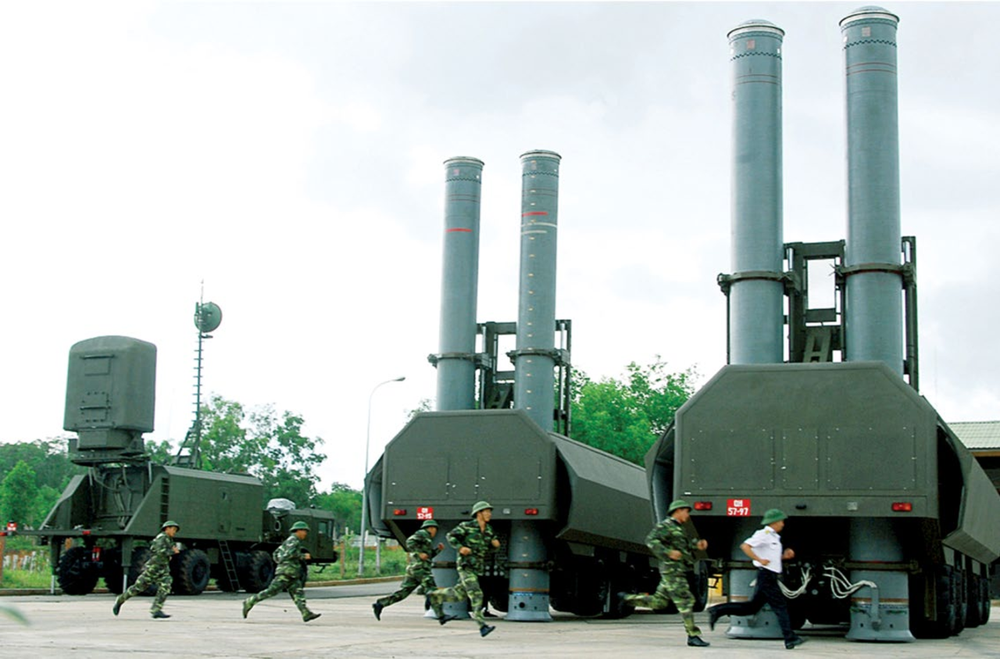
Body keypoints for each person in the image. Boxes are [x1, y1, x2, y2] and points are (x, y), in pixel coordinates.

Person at [707, 508, 806, 650]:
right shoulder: (764, 534)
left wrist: (783, 557)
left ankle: (717, 610)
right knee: (780, 607)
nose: (783, 524)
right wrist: (759, 559)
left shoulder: (774, 537)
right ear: (774, 522)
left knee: (752, 607)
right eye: (781, 521)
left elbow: (770, 556)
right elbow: (745, 546)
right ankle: (790, 638)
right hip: (766, 575)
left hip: (768, 575)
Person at [618, 499, 711, 648]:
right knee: (685, 601)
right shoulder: (665, 526)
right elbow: (650, 541)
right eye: (686, 511)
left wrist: (696, 545)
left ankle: (627, 598)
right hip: (671, 570)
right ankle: (693, 635)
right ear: (678, 511)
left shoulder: (680, 528)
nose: (687, 515)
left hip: (679, 569)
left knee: (659, 602)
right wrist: (667, 553)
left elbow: (683, 545)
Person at [428, 501, 501, 637]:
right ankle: (482, 625)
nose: (489, 514)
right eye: (487, 511)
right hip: (465, 565)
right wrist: (461, 548)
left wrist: (495, 545)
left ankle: (434, 595)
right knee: (476, 593)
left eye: (490, 511)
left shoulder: (489, 530)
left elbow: (489, 548)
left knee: (459, 594)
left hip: (476, 566)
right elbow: (450, 536)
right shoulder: (466, 526)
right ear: (479, 513)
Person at [373, 519, 456, 624]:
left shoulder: (426, 539)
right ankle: (441, 616)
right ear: (431, 528)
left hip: (415, 569)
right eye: (435, 529)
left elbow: (427, 556)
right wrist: (418, 553)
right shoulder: (423, 534)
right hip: (420, 569)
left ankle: (380, 604)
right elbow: (409, 542)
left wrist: (437, 550)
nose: (435, 532)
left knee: (404, 592)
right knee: (433, 591)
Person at [242, 521, 321, 623]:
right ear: (298, 531)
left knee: (298, 593)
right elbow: (287, 555)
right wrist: (302, 556)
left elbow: (276, 554)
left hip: (291, 573)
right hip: (286, 573)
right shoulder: (294, 541)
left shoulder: (289, 541)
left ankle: (306, 613)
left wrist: (280, 563)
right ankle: (250, 601)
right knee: (271, 591)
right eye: (304, 531)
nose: (305, 534)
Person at [113, 520, 180, 619]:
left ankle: (156, 609)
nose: (174, 532)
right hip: (154, 568)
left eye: (175, 530)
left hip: (163, 568)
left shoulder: (169, 539)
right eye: (173, 529)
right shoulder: (161, 538)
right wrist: (172, 551)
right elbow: (159, 551)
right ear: (167, 528)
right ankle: (120, 600)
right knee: (137, 588)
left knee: (166, 585)